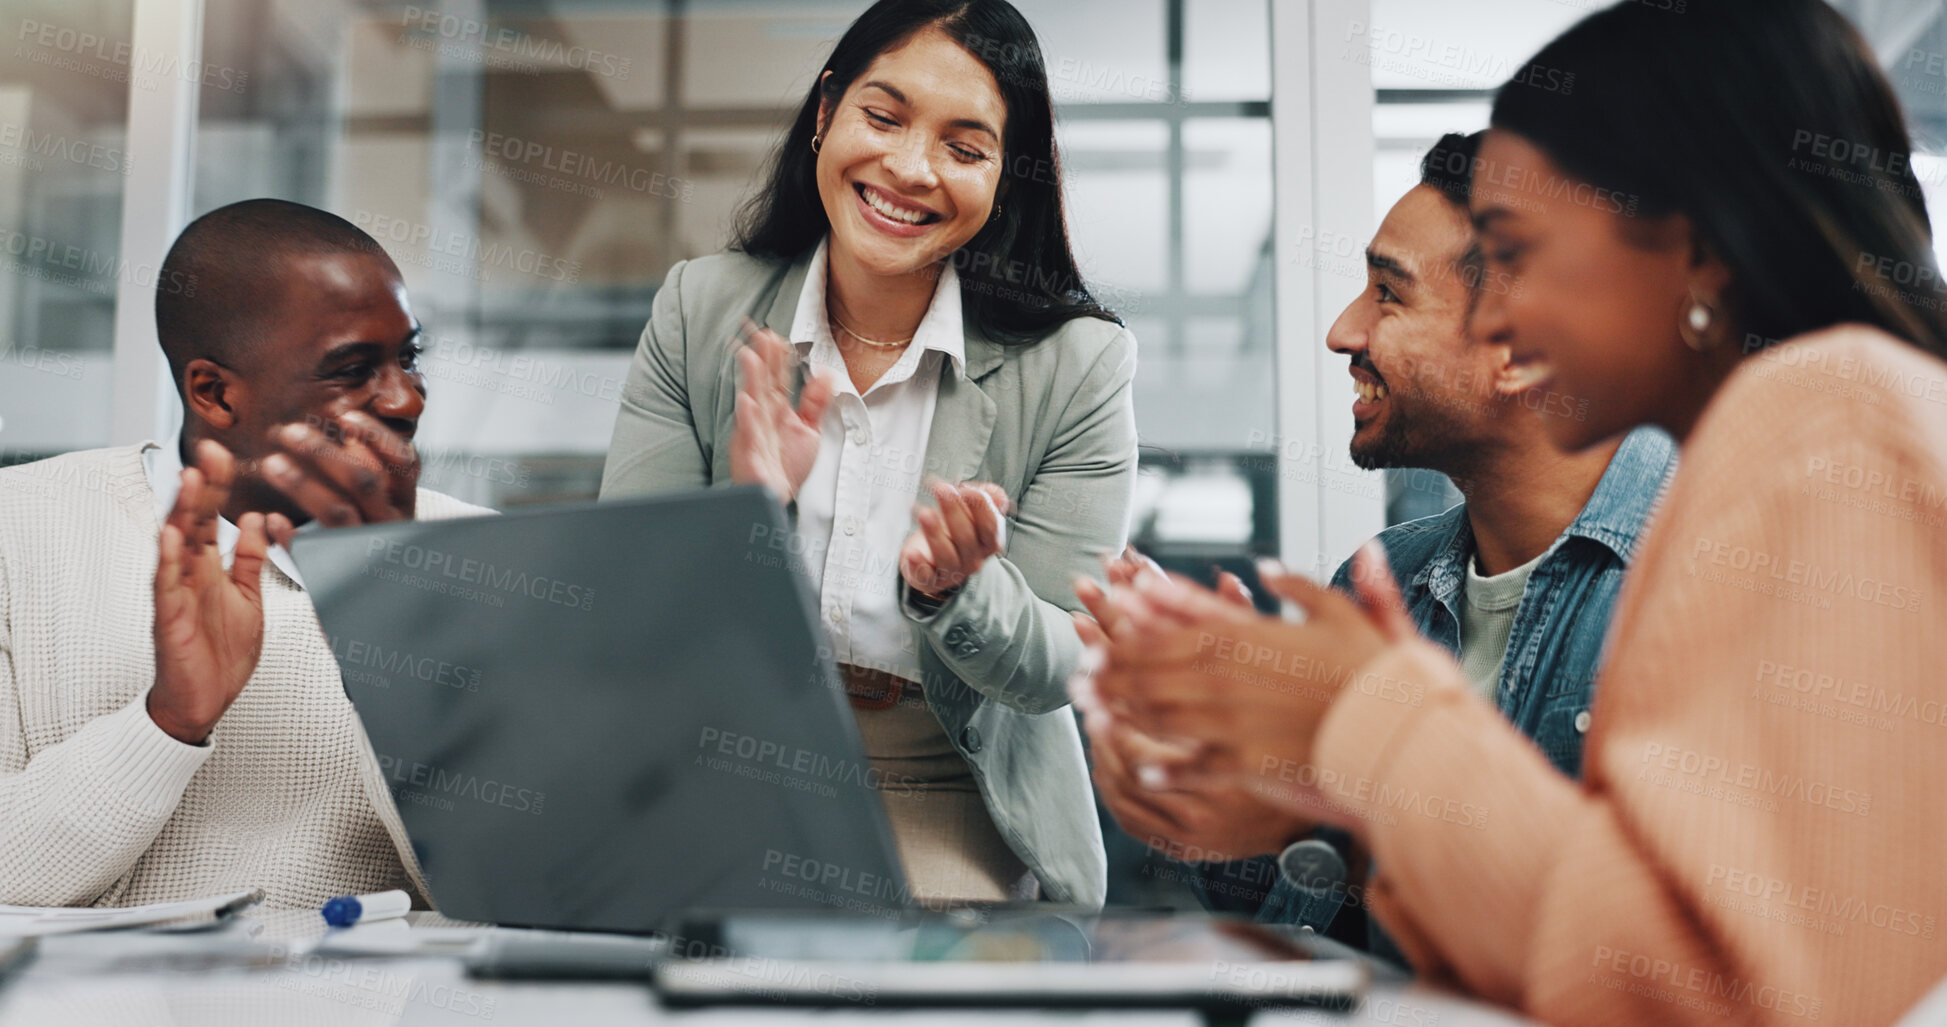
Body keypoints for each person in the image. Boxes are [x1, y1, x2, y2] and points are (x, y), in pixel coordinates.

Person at [1075, 1, 1947, 1023]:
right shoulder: (1796, 436)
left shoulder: (1833, 408)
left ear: (1694, 248)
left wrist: (1366, 719)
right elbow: (1609, 949)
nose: (1500, 317)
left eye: (1518, 250)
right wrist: (1302, 795)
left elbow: (1706, 994)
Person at [1084, 133, 1676, 964]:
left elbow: (1665, 960)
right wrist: (1214, 788)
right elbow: (1324, 930)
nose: (1341, 331)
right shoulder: (1380, 582)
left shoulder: (1697, 577)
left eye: (1387, 294)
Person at [600, 0, 1135, 908]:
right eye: (881, 118)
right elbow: (626, 620)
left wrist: (957, 590)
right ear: (824, 115)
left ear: (1007, 179)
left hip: (945, 785)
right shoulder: (699, 309)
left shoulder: (1077, 364)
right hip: (723, 765)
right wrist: (744, 515)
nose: (909, 169)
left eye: (965, 148)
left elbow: (1058, 667)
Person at [0, 199, 486, 908]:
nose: (405, 398)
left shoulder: (485, 558)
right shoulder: (19, 527)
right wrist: (169, 719)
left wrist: (384, 624)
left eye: (408, 357)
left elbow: (519, 894)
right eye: (351, 369)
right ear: (215, 392)